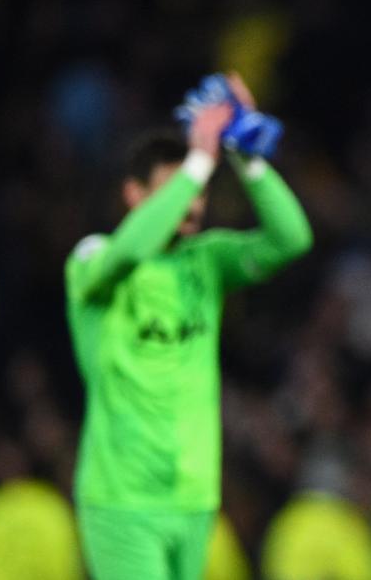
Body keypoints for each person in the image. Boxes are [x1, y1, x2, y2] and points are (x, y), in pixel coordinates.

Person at [64, 74, 312, 580]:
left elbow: (293, 238)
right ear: (134, 194)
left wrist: (245, 156)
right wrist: (198, 162)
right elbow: (131, 248)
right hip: (122, 498)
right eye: (179, 190)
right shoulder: (93, 260)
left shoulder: (206, 260)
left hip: (194, 495)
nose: (194, 203)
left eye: (200, 190)